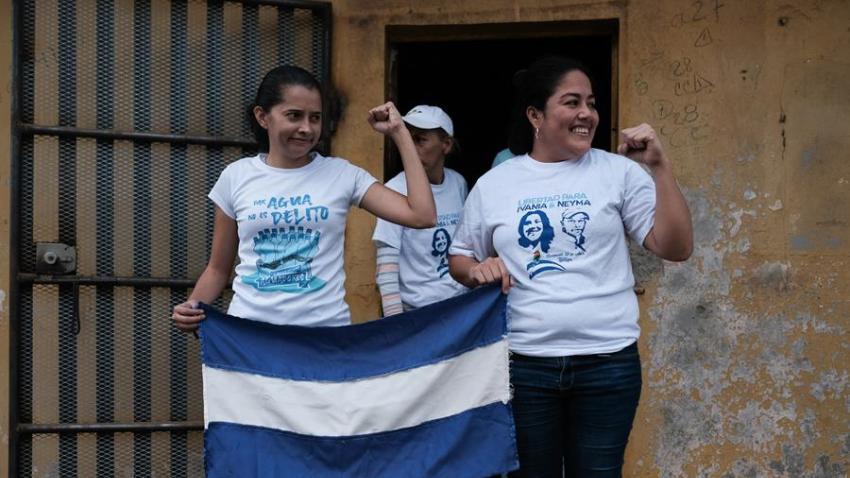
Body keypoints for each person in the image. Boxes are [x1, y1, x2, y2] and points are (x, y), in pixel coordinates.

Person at [448, 56, 693, 477]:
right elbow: (460, 257)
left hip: (608, 363)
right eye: (572, 102)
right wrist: (476, 270)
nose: (586, 114)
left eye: (592, 103)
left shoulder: (618, 173)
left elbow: (675, 247)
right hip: (525, 364)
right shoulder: (496, 184)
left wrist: (659, 166)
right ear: (535, 115)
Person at [171, 65, 436, 333]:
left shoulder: (342, 174)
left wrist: (400, 134)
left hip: (323, 340)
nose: (306, 128)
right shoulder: (236, 177)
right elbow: (217, 269)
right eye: (294, 116)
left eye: (315, 118)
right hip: (251, 340)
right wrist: (193, 306)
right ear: (263, 117)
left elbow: (422, 215)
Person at [372, 105, 468, 316]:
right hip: (418, 314)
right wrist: (397, 327)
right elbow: (386, 270)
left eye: (420, 140)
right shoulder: (394, 191)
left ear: (446, 145)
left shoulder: (457, 183)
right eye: (408, 138)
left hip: (458, 308)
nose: (410, 147)